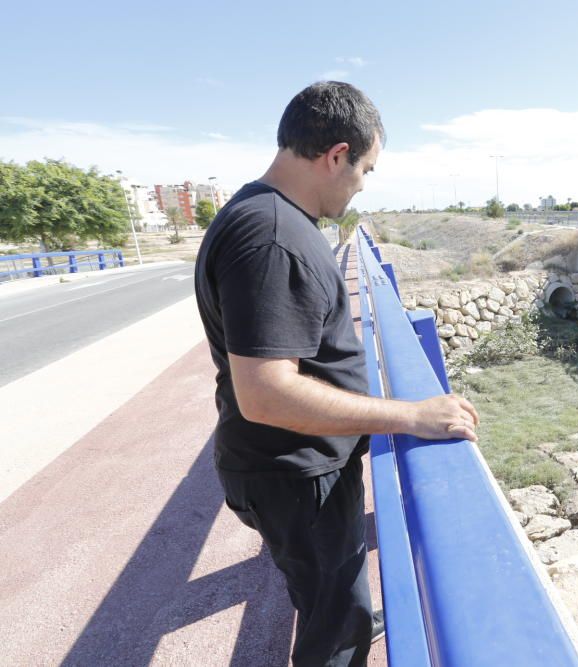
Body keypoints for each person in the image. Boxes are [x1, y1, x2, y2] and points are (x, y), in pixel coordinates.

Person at [194, 81, 479, 667]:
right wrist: (411, 416)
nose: (363, 185)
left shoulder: (263, 216)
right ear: (336, 156)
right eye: (365, 170)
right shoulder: (274, 237)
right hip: (298, 477)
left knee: (334, 607)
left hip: (292, 469)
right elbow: (267, 393)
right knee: (336, 634)